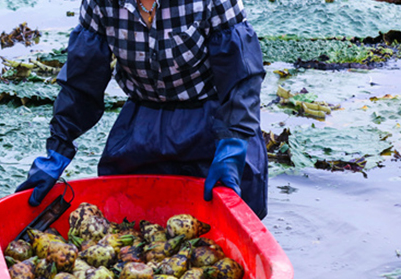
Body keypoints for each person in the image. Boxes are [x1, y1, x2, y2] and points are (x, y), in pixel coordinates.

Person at [16, 0, 268, 219]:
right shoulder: (101, 3)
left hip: (214, 125)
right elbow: (81, 84)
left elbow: (241, 77)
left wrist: (232, 144)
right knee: (131, 217)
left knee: (228, 231)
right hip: (144, 126)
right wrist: (58, 148)